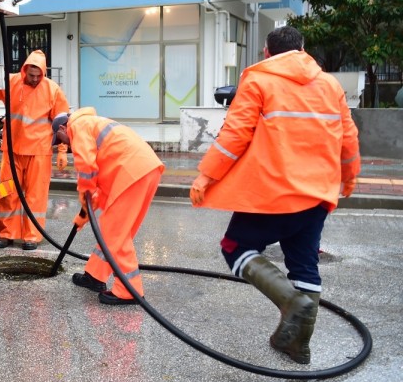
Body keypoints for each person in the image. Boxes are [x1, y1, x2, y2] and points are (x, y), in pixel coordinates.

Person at [190, 25, 360, 364]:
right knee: (304, 265)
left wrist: (206, 175)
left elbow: (234, 135)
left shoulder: (258, 81)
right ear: (302, 49)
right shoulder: (330, 85)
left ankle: (291, 302)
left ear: (267, 53)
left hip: (272, 192)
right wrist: (349, 178)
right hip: (317, 193)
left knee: (235, 247)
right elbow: (348, 136)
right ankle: (297, 345)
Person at [54, 107, 163, 305]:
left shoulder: (77, 126)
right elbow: (100, 192)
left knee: (115, 233)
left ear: (63, 127)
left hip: (131, 172)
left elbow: (86, 168)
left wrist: (84, 192)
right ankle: (95, 276)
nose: (65, 145)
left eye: (61, 139)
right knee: (114, 229)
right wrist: (83, 216)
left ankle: (129, 291)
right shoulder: (90, 124)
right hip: (142, 169)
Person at [0, 50, 69, 251]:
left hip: (39, 152)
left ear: (43, 72)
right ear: (24, 70)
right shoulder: (11, 83)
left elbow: (63, 126)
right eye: (31, 75)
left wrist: (62, 150)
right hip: (13, 150)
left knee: (35, 196)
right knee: (8, 193)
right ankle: (7, 234)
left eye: (38, 75)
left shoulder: (53, 90)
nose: (34, 79)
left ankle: (31, 236)